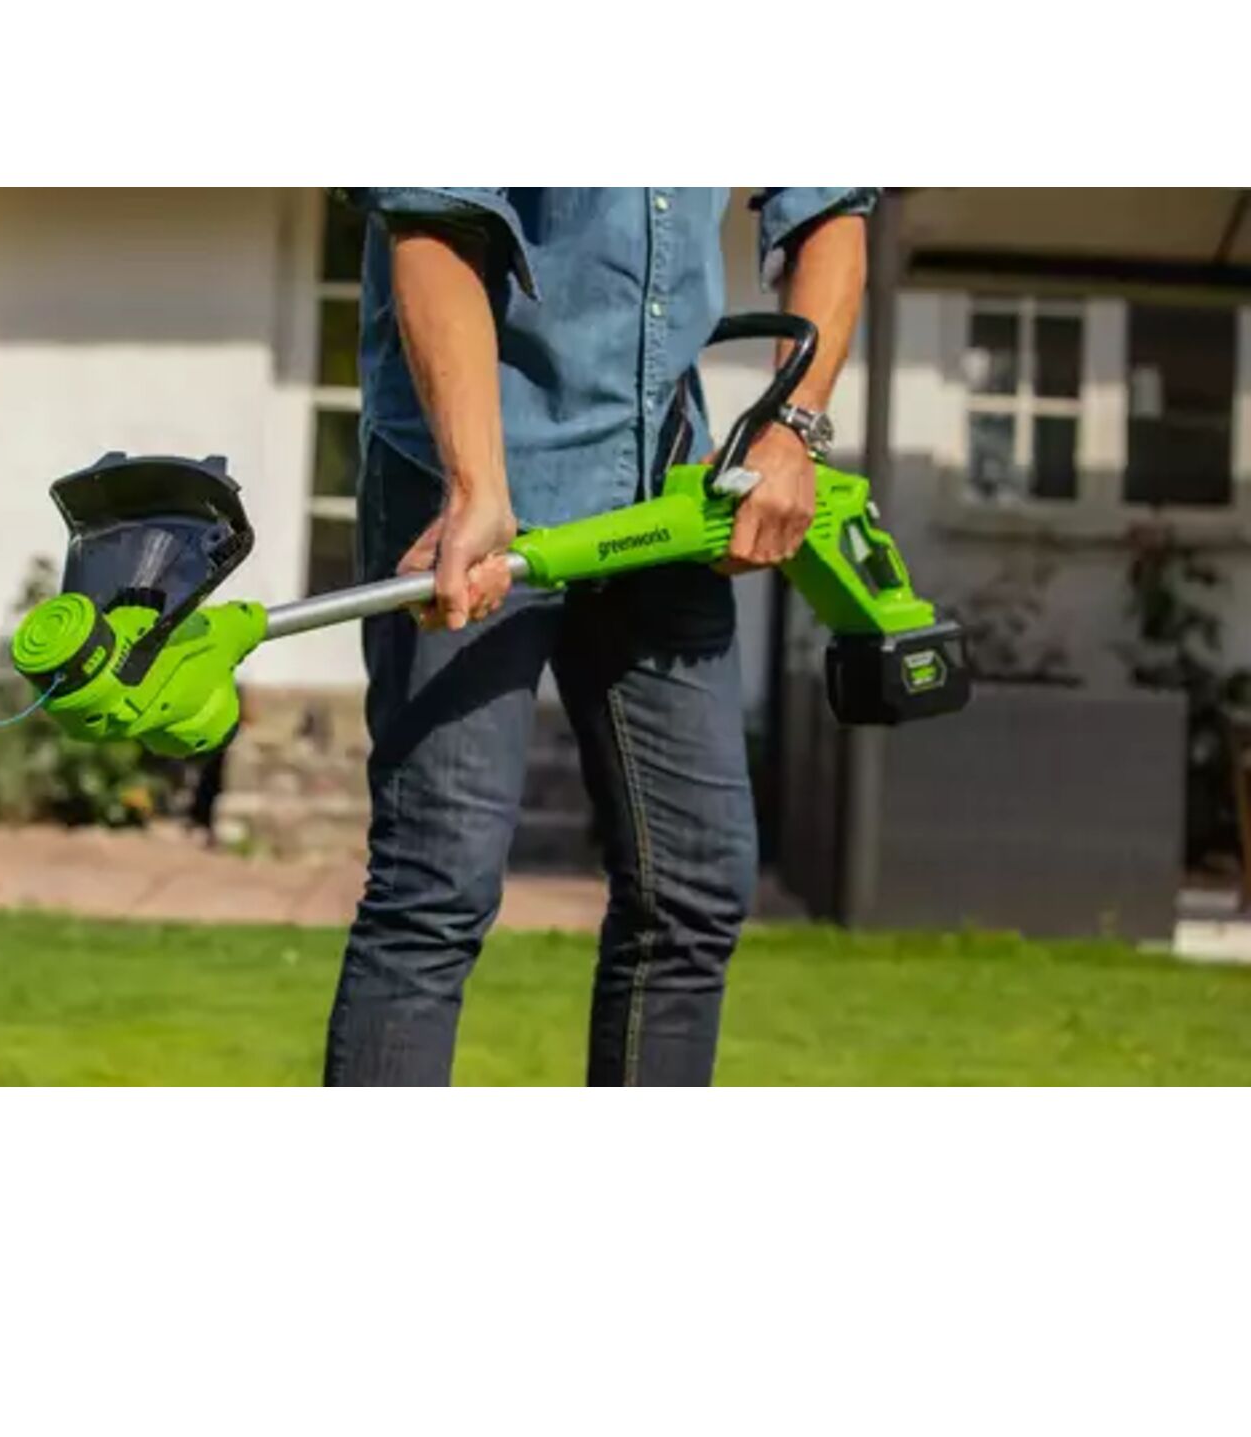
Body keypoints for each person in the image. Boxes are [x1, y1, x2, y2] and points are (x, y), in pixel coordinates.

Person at [324, 188, 874, 1087]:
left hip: (663, 490)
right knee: (436, 886)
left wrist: (791, 429)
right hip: (473, 486)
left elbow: (827, 208)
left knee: (694, 886)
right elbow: (434, 221)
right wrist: (476, 484)